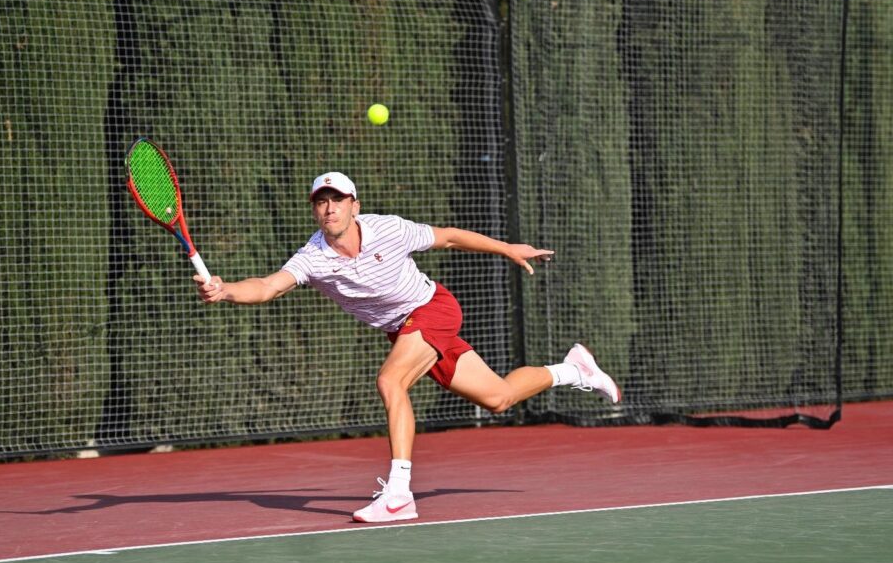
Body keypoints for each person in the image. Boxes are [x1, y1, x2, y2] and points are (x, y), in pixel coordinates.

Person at [194, 171, 620, 523]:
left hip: (433, 309)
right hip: (405, 331)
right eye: (321, 201)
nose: (330, 207)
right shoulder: (313, 256)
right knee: (499, 397)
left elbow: (449, 237)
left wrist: (507, 248)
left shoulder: (387, 229)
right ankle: (575, 369)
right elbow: (268, 286)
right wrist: (226, 289)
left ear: (354, 205)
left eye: (337, 199)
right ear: (315, 211)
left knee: (390, 380)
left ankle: (399, 494)